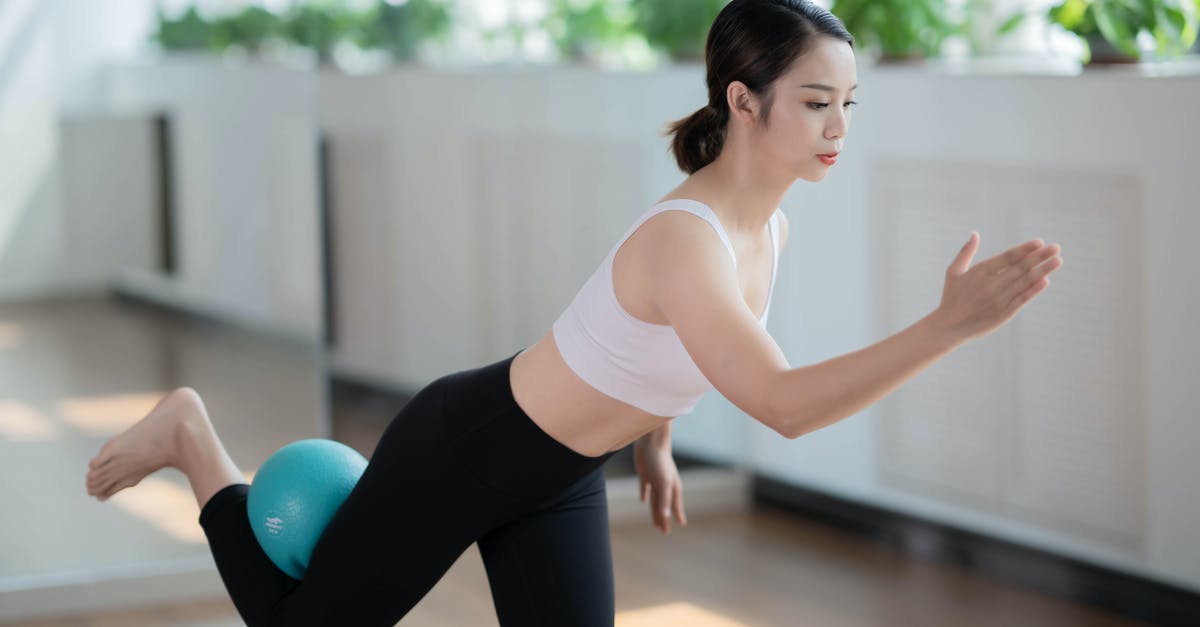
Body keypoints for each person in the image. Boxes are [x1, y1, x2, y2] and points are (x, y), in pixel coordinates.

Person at [84, 1, 1063, 625]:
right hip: (464, 447)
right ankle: (193, 438)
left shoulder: (768, 231)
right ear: (746, 101)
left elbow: (683, 348)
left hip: (558, 476)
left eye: (851, 103)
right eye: (817, 103)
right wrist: (950, 325)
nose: (840, 128)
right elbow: (782, 403)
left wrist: (655, 440)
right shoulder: (689, 237)